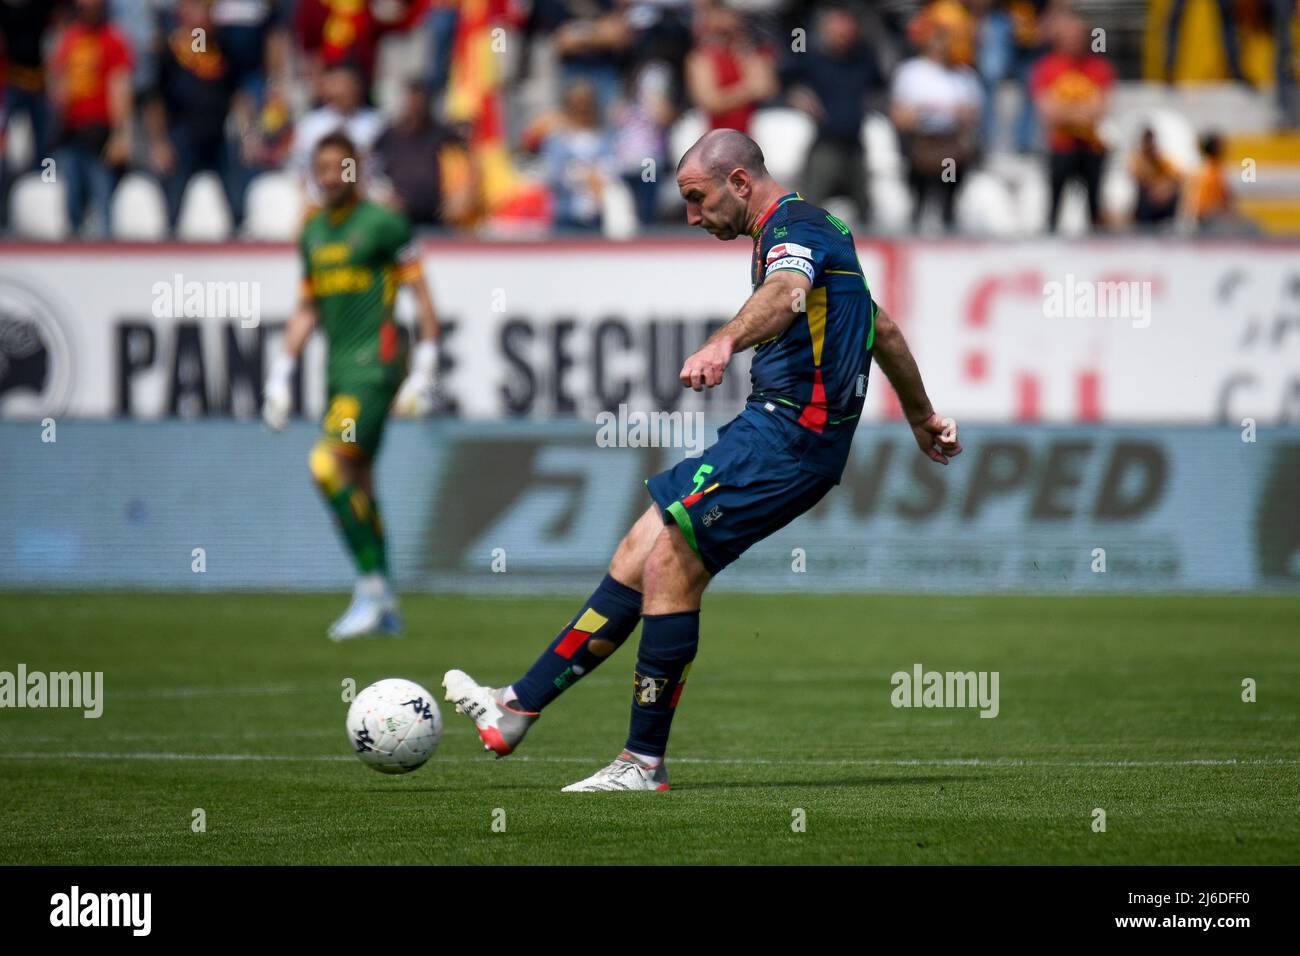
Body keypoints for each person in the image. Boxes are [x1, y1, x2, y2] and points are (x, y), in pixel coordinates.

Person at [442, 129, 962, 792]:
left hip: (789, 439)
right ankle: (518, 705)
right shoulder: (821, 228)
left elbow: (783, 292)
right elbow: (880, 328)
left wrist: (722, 342)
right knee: (638, 550)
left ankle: (641, 762)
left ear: (739, 183)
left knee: (670, 563)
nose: (692, 215)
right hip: (773, 434)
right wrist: (920, 415)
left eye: (697, 197)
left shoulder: (794, 233)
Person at [262, 131, 443, 641]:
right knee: (360, 479)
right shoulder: (313, 232)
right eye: (319, 168)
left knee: (325, 463)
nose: (327, 177)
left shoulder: (383, 223)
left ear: (356, 170)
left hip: (376, 366)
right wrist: (281, 373)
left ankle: (370, 588)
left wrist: (426, 367)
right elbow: (308, 307)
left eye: (337, 167)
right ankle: (384, 601)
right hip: (338, 371)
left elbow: (422, 296)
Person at [783, 4, 885, 226]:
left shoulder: (863, 59)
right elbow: (784, 80)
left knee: (866, 209)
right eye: (837, 27)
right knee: (810, 206)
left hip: (855, 144)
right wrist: (797, 95)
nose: (842, 34)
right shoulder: (813, 59)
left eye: (847, 27)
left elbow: (881, 85)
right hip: (826, 144)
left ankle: (856, 257)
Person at [47, 0, 134, 237]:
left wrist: (120, 134)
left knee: (101, 198)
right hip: (70, 132)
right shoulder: (70, 39)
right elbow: (58, 79)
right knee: (72, 199)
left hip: (99, 133)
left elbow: (121, 88)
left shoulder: (114, 40)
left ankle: (106, 253)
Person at [891, 20, 982, 230]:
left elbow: (973, 116)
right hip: (921, 144)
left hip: (949, 146)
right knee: (918, 203)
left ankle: (949, 242)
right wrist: (923, 114)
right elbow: (899, 116)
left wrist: (956, 114)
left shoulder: (963, 75)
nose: (942, 46)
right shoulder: (911, 72)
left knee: (948, 203)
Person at [1030, 12, 1113, 232]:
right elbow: (1047, 111)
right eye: (1070, 36)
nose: (1076, 40)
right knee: (1055, 200)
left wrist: (1066, 112)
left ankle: (1097, 244)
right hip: (1061, 146)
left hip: (1091, 146)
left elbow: (1100, 109)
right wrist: (1080, 113)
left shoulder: (1098, 67)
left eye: (1079, 36)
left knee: (1094, 203)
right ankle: (1051, 239)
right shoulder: (1047, 67)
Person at [685, 2, 776, 134]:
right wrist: (748, 89)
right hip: (720, 132)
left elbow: (766, 88)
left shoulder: (750, 53)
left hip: (754, 130)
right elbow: (711, 102)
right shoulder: (701, 58)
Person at [1129, 126, 1180, 230]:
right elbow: (1140, 176)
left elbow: (1176, 175)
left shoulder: (1161, 159)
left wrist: (1164, 188)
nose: (1149, 144)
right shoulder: (1138, 158)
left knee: (1175, 191)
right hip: (1147, 199)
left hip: (1161, 197)